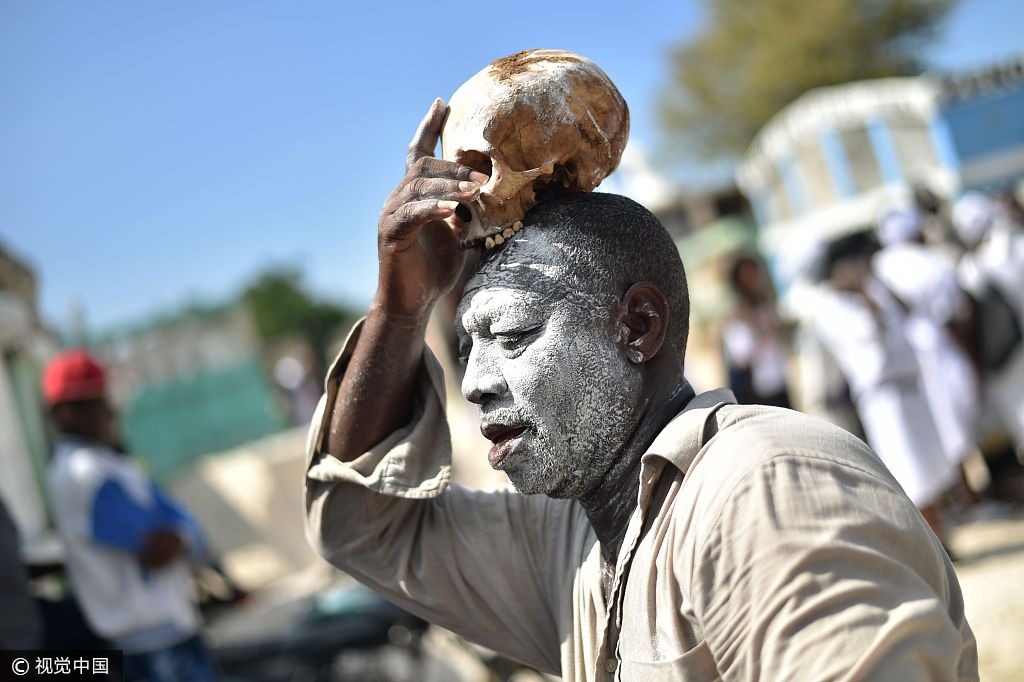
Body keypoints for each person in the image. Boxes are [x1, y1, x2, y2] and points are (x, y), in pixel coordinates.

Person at [304, 100, 977, 680]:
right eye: (465, 350)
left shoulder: (759, 490)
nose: (477, 383)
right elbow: (360, 524)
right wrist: (400, 308)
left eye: (512, 337)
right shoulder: (576, 544)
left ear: (638, 325)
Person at [43, 350, 216, 682]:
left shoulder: (106, 462)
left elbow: (182, 531)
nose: (106, 412)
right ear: (63, 413)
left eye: (103, 400)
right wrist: (184, 534)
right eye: (90, 404)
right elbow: (160, 547)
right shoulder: (83, 472)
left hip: (167, 631)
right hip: (150, 644)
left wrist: (183, 534)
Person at [721, 254, 792, 408]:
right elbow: (740, 359)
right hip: (756, 395)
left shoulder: (765, 306)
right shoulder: (737, 317)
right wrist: (759, 332)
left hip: (778, 383)